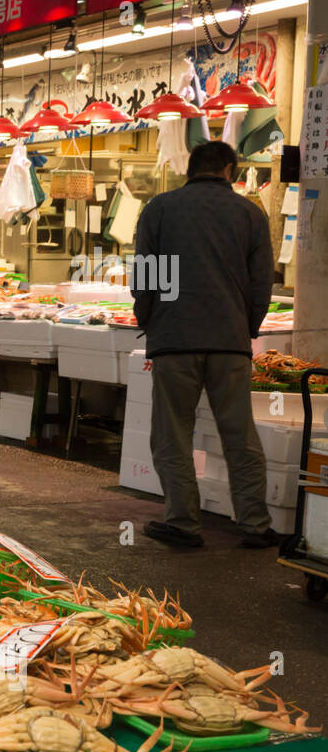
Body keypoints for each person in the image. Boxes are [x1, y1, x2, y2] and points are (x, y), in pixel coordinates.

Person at [132, 141, 277, 549]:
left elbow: (147, 277)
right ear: (229, 169)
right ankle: (255, 524)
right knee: (240, 435)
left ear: (189, 168)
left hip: (175, 339)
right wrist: (245, 326)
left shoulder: (159, 209)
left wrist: (151, 320)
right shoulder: (250, 213)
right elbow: (261, 283)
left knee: (172, 434)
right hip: (230, 343)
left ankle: (182, 523)